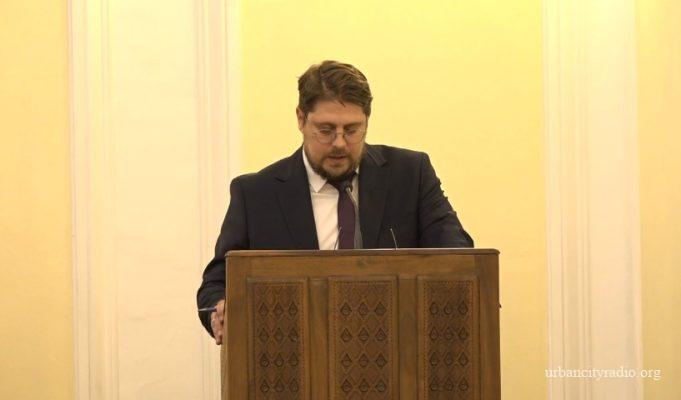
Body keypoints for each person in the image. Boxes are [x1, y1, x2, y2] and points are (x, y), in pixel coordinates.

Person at [197, 60, 473, 344]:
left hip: (397, 351)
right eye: (326, 130)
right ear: (301, 119)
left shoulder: (411, 175)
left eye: (352, 130)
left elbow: (457, 254)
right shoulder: (256, 194)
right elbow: (216, 283)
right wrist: (219, 308)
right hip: (296, 355)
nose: (340, 143)